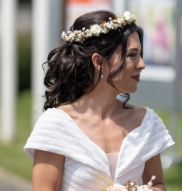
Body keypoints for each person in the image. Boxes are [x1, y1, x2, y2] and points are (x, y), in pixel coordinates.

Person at [24, 10, 174, 191]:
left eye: (140, 54)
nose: (141, 64)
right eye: (132, 55)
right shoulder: (57, 126)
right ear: (98, 62)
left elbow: (158, 184)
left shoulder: (145, 123)